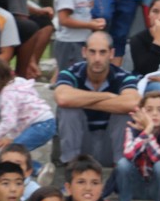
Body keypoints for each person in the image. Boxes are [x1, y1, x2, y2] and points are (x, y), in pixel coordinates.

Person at [53, 31, 140, 166]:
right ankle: (72, 168)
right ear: (84, 52)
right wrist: (106, 96)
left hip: (109, 146)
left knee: (124, 113)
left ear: (111, 54)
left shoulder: (124, 77)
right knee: (68, 109)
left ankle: (120, 168)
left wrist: (82, 101)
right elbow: (62, 98)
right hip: (82, 144)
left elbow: (132, 103)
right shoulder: (70, 73)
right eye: (92, 52)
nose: (97, 58)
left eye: (102, 52)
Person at [0, 57, 56, 166]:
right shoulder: (18, 82)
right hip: (48, 121)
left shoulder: (7, 94)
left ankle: (38, 170)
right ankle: (33, 173)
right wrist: (10, 137)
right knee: (14, 154)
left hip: (39, 126)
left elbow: (9, 122)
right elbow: (21, 115)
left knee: (11, 155)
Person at [114, 91, 160, 201]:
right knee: (122, 164)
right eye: (149, 110)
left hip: (156, 186)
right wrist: (146, 132)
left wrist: (148, 131)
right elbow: (128, 154)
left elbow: (159, 156)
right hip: (135, 184)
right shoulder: (132, 128)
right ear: (141, 113)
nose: (155, 114)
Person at [53, 0, 105, 72]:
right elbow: (64, 20)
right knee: (71, 76)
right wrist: (89, 25)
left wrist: (92, 22)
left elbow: (80, 15)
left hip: (80, 41)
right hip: (69, 43)